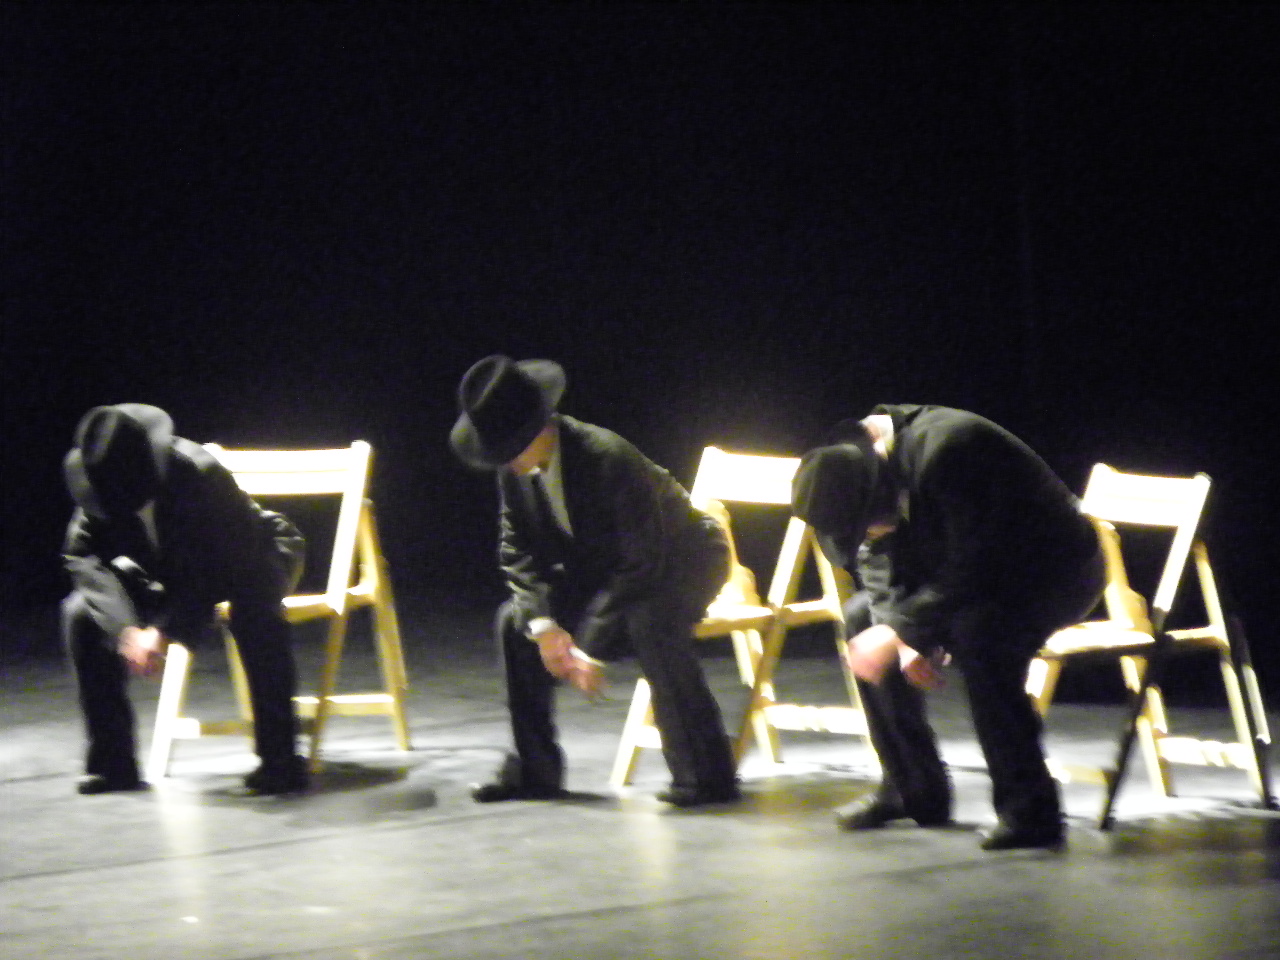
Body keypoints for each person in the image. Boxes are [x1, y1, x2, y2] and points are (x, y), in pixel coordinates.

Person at [791, 403, 1105, 850]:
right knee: (862, 618)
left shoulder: (950, 450)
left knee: (982, 632)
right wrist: (901, 632)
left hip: (1051, 572)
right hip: (964, 572)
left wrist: (906, 630)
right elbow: (876, 560)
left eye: (869, 522)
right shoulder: (852, 471)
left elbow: (977, 562)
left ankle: (1030, 812)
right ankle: (912, 790)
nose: (870, 531)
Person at [450, 355, 740, 807]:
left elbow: (643, 562)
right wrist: (544, 626)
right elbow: (516, 549)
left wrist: (592, 647)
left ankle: (706, 777)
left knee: (649, 618)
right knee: (514, 621)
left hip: (685, 560)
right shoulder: (516, 472)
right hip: (608, 570)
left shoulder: (606, 456)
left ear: (540, 428)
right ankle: (536, 771)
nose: (505, 460)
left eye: (510, 447)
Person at [62, 403, 309, 795]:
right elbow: (82, 556)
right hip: (166, 573)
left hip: (249, 554)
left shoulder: (199, 475)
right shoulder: (102, 484)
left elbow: (224, 567)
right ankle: (114, 764)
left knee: (255, 603)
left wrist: (163, 630)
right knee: (79, 613)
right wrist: (127, 630)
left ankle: (281, 762)